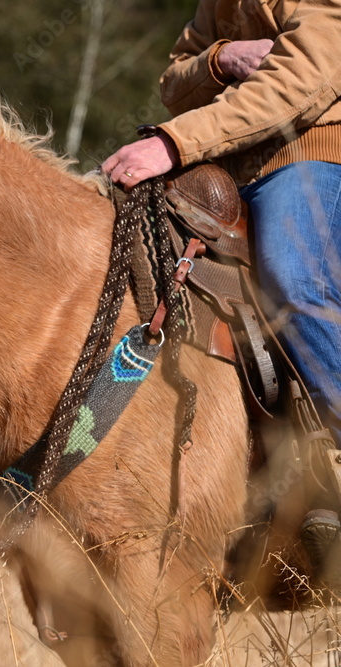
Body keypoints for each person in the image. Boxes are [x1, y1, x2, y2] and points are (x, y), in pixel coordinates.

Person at [102, 0, 341, 567]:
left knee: (292, 273)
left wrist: (172, 143)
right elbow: (174, 79)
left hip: (316, 159)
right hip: (229, 172)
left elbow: (301, 81)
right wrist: (221, 57)